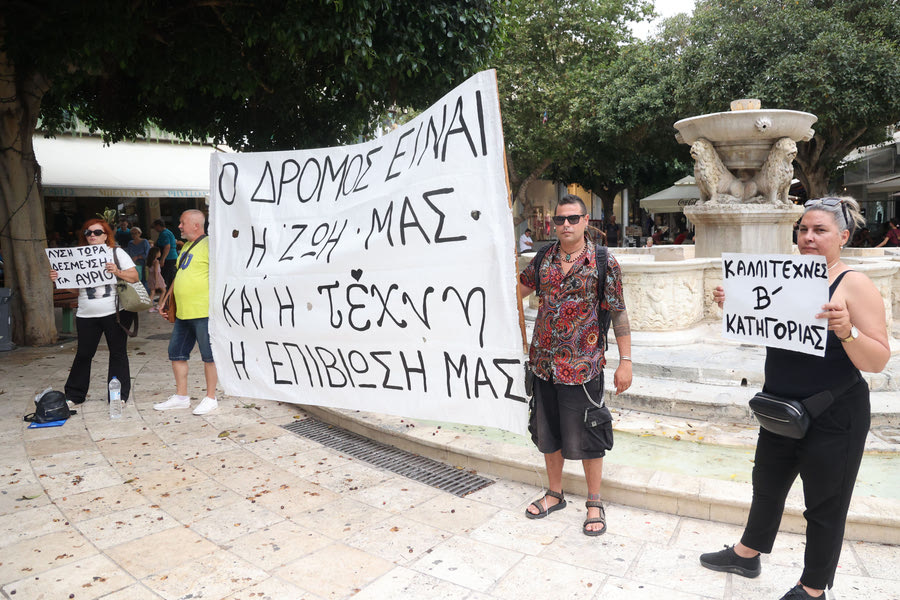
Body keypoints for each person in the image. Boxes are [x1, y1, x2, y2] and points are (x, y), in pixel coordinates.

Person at [700, 196, 889, 600]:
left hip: (834, 412)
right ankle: (747, 554)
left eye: (819, 231)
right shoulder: (786, 277)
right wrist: (737, 305)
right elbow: (771, 335)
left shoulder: (854, 283)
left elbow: (878, 360)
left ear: (843, 236)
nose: (808, 238)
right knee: (766, 486)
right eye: (803, 229)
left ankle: (813, 587)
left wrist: (846, 331)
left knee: (825, 504)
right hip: (781, 408)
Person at [517, 194, 632, 536]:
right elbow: (516, 291)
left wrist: (626, 361)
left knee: (590, 435)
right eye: (559, 220)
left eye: (572, 218)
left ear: (585, 221)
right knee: (547, 432)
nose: (564, 225)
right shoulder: (543, 259)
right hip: (543, 365)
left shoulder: (603, 262)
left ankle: (594, 501)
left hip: (584, 367)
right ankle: (555, 493)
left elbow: (619, 311)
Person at [50, 219, 139, 406]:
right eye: (88, 232)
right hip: (86, 314)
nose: (92, 235)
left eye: (97, 232)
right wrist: (61, 279)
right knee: (83, 354)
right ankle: (74, 395)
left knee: (117, 353)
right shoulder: (77, 257)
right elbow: (77, 290)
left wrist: (117, 271)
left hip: (115, 312)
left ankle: (118, 396)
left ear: (106, 235)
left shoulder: (116, 253)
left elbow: (134, 277)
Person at [154, 210, 218, 415]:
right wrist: (165, 300)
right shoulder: (187, 246)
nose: (179, 226)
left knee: (209, 356)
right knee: (177, 353)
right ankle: (181, 397)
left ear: (196, 225)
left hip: (204, 311)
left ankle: (211, 397)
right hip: (183, 312)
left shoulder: (211, 245)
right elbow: (179, 275)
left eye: (182, 223)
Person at [152, 218, 178, 288]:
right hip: (171, 257)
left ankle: (167, 295)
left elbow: (167, 246)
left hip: (168, 258)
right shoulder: (167, 232)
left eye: (155, 227)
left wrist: (163, 259)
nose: (155, 229)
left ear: (158, 226)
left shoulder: (164, 234)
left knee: (166, 277)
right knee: (169, 277)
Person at [145, 247, 165, 311]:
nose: (160, 253)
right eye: (159, 252)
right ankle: (159, 305)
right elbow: (156, 272)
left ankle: (150, 307)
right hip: (157, 277)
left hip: (150, 277)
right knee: (163, 291)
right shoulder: (156, 261)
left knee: (152, 292)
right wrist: (157, 282)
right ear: (155, 253)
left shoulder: (150, 261)